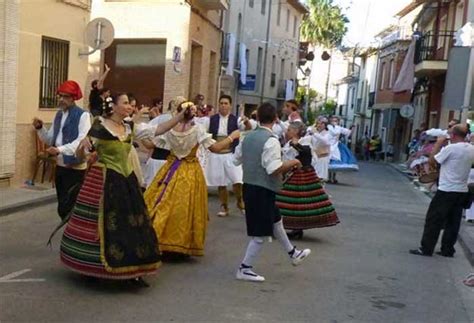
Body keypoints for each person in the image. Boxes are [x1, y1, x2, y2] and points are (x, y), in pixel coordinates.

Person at [60, 93, 185, 285]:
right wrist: (83, 149)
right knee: (105, 226)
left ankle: (135, 270)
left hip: (126, 182)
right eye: (125, 103)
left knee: (134, 225)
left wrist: (180, 115)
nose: (129, 107)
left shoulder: (130, 127)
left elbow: (158, 129)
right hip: (105, 181)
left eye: (130, 104)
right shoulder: (99, 127)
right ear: (114, 106)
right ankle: (95, 267)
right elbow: (82, 155)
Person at [144, 101, 240, 257]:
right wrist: (231, 137)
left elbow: (149, 144)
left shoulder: (170, 130)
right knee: (186, 207)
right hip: (190, 170)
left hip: (171, 168)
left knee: (164, 203)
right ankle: (181, 244)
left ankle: (160, 238)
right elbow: (215, 148)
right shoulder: (197, 130)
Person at [233, 102, 311, 283]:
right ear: (276, 119)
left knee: (276, 220)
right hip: (263, 189)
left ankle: (293, 253)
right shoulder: (271, 140)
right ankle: (244, 268)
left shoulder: (247, 137)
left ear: (258, 118)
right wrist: (294, 163)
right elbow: (273, 168)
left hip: (250, 186)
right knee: (260, 235)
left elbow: (236, 160)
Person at [410, 125, 474, 257]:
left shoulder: (451, 148)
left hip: (446, 189)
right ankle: (447, 249)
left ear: (454, 136)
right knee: (453, 221)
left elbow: (433, 161)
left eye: (450, 133)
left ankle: (426, 248)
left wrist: (438, 144)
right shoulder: (471, 148)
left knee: (434, 219)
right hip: (462, 190)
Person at [33, 80, 91, 221]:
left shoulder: (83, 115)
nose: (61, 100)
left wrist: (60, 149)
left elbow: (81, 142)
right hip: (60, 166)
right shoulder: (59, 115)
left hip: (75, 167)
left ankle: (73, 235)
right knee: (62, 204)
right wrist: (40, 128)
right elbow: (50, 138)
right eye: (60, 96)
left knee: (71, 205)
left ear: (73, 98)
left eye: (65, 97)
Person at [276, 121, 339, 239]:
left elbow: (307, 154)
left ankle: (295, 228)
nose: (287, 131)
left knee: (298, 201)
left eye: (289, 130)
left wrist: (296, 145)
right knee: (294, 201)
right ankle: (293, 228)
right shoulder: (290, 142)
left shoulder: (305, 141)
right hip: (293, 173)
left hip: (302, 174)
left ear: (295, 131)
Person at [203, 95, 245, 217]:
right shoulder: (211, 120)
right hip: (217, 153)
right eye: (221, 103)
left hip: (230, 153)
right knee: (221, 182)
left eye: (226, 103)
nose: (223, 105)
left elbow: (245, 128)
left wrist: (245, 121)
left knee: (237, 180)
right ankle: (224, 206)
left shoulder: (236, 120)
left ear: (230, 105)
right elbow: (205, 133)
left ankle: (239, 201)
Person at [327, 117, 358, 183]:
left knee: (336, 162)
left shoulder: (339, 128)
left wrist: (353, 127)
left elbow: (348, 133)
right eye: (332, 120)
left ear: (338, 122)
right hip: (328, 145)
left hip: (336, 146)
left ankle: (333, 177)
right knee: (329, 162)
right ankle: (329, 178)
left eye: (335, 120)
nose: (334, 122)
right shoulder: (327, 127)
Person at [311, 117, 331, 181]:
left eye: (322, 123)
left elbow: (325, 141)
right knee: (313, 176)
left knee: (320, 176)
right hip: (314, 156)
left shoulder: (328, 133)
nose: (320, 125)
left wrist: (315, 134)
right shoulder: (313, 133)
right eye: (318, 123)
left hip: (323, 157)